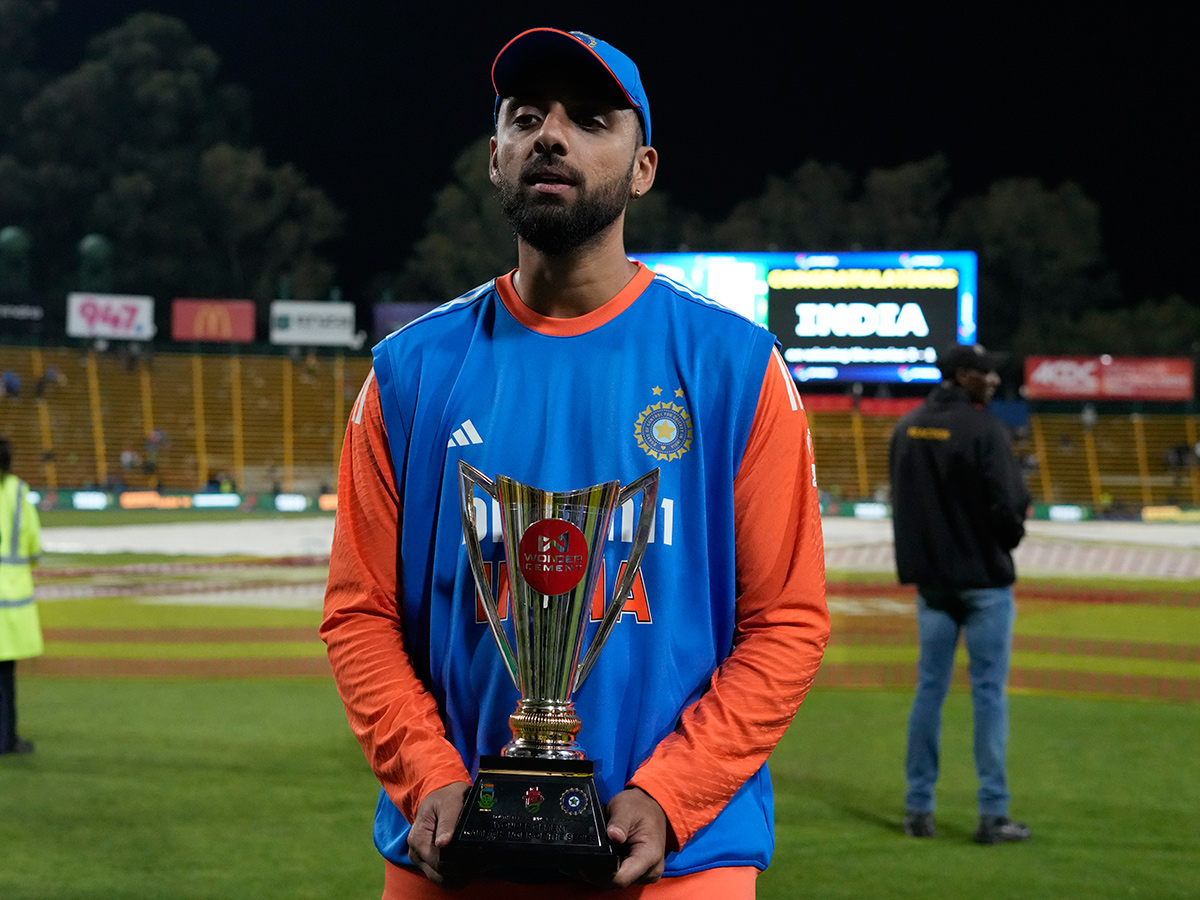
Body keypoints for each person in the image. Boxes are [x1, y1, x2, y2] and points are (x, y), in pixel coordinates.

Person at [321, 27, 830, 899]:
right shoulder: (410, 373)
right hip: (451, 850)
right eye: (526, 118)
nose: (550, 136)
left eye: (590, 119)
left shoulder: (734, 368)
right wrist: (428, 778)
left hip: (678, 860)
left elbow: (786, 622)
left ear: (643, 168)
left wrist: (672, 795)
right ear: (495, 156)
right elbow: (359, 614)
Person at [888, 343, 1032, 845]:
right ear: (963, 375)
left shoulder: (907, 428)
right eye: (987, 373)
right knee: (989, 694)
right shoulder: (984, 429)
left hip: (933, 583)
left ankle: (917, 809)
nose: (994, 381)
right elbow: (1011, 503)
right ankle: (992, 815)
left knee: (929, 691)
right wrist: (1006, 539)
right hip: (985, 583)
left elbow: (902, 509)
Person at [0, 437, 43, 756]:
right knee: (4, 678)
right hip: (11, 597)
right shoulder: (17, 491)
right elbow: (33, 544)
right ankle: (6, 739)